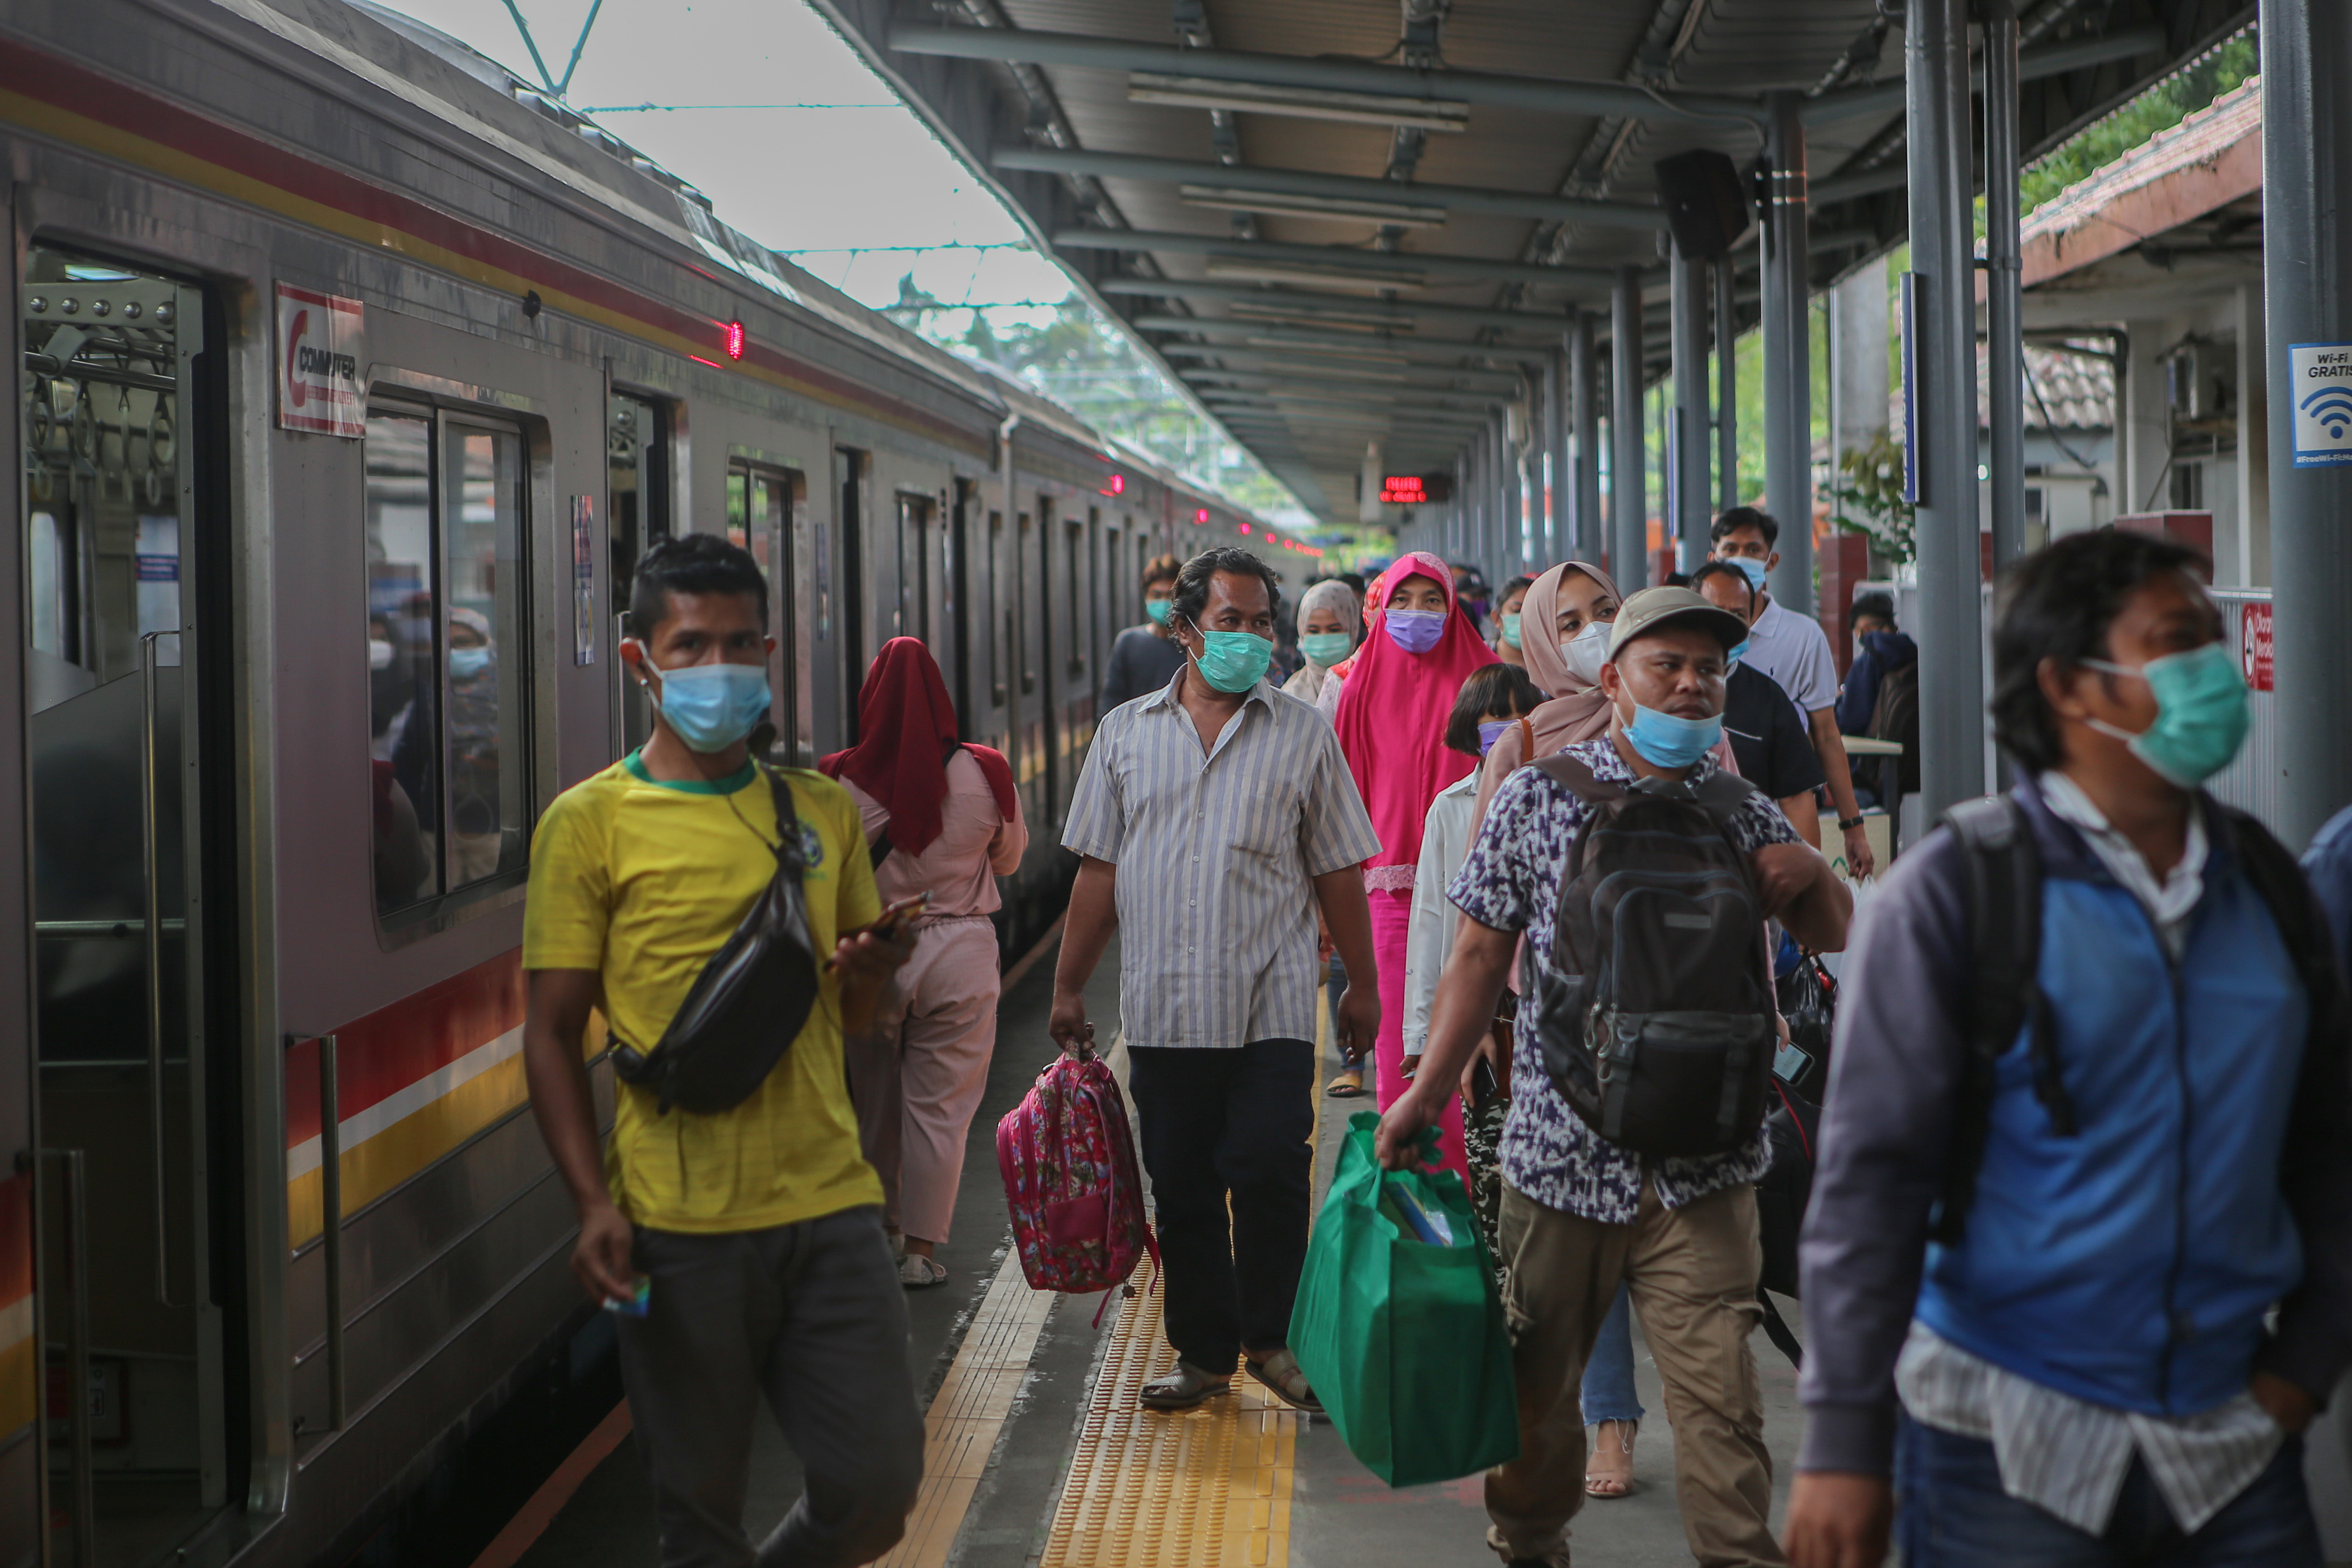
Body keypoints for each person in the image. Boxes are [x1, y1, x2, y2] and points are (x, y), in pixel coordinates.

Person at [1783, 529, 2352, 1568]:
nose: (2215, 673)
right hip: (1999, 1445)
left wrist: (2304, 1364)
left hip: (2233, 1441)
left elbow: (2328, 1144)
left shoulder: (2267, 884)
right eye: (2179, 643)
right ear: (2070, 687)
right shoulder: (1961, 894)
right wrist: (1843, 1441)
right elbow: (1872, 1188)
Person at [1384, 585, 1852, 1568]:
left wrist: (1813, 875)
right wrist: (1425, 1091)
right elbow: (1477, 958)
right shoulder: (1540, 796)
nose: (1691, 687)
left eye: (1709, 671)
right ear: (1613, 680)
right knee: (1538, 1402)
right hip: (1562, 1154)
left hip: (1711, 1164)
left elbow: (1829, 931)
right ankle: (1530, 1542)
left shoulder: (1742, 805)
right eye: (1666, 666)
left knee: (1723, 1410)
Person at [519, 533, 923, 1568]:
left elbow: (857, 1019)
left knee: (877, 1487)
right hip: (673, 1225)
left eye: (739, 645)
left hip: (830, 1206)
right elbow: (553, 1034)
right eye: (690, 646)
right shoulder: (587, 824)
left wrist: (872, 973)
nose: (718, 669)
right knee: (697, 1517)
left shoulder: (820, 812)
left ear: (770, 650)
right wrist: (592, 1204)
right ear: (638, 662)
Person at [1051, 546, 1383, 1416]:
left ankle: (1271, 1340)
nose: (1249, 638)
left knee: (1270, 1163)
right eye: (1229, 621)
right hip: (1163, 1007)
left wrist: (1364, 986)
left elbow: (1340, 868)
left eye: (1260, 622)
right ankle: (1204, 1352)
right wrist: (1067, 985)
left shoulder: (1303, 733)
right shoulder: (1126, 733)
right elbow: (1096, 870)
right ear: (1184, 627)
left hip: (1270, 1000)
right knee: (1184, 1182)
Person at [826, 637, 1028, 1289]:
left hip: (875, 955)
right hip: (961, 951)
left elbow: (825, 879)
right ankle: (919, 1251)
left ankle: (880, 1234)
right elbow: (1010, 859)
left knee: (874, 1105)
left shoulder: (836, 780)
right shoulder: (987, 770)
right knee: (940, 1111)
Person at [1327, 550, 1499, 1179]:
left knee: (1480, 1042)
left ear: (1454, 607)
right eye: (1401, 600)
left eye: (1432, 600)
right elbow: (1340, 800)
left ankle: (1471, 1192)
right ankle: (1414, 1192)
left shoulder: (1491, 678)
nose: (1416, 614)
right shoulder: (1355, 683)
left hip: (1482, 893)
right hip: (1389, 892)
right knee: (1405, 1044)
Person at [1403, 663, 1544, 1259]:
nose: (1507, 729)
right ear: (1471, 729)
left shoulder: (1563, 793)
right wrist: (1424, 1036)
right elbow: (1432, 923)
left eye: (1519, 715)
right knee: (1491, 1181)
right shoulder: (1451, 809)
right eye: (1494, 719)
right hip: (1486, 1027)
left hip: (1549, 1015)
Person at [1711, 507, 1876, 879]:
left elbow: (1826, 735)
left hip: (1781, 806)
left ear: (1771, 561)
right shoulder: (1686, 633)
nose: (1741, 559)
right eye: (1731, 549)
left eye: (1753, 550)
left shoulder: (1802, 637)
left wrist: (1853, 826)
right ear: (1712, 559)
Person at [1284, 577, 1367, 1095]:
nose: (1323, 638)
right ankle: (1339, 1057)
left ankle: (1364, 1056)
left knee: (1355, 950)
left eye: (1335, 628)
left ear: (1355, 627)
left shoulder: (1366, 685)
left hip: (1365, 834)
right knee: (1323, 953)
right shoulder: (1287, 695)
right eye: (1312, 629)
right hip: (1305, 839)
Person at [1692, 560, 1830, 847]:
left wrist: (1809, 879)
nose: (1727, 625)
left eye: (1738, 615)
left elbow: (1796, 798)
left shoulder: (1767, 698)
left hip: (1749, 865)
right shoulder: (1661, 691)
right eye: (1716, 613)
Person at [1833, 591, 1919, 814]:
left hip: (1865, 771)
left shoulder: (1867, 662)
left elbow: (1850, 720)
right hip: (1897, 766)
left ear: (1862, 630)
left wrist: (1837, 705)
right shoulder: (1913, 655)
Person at [1098, 552, 1187, 711]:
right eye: (1156, 595)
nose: (1163, 602)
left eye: (1170, 596)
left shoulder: (1194, 646)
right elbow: (1112, 698)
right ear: (1146, 596)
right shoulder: (1129, 643)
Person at [1492, 574, 1536, 669]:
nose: (1525, 618)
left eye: (1534, 612)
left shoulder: (1556, 666)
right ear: (1497, 618)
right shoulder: (1477, 660)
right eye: (1517, 611)